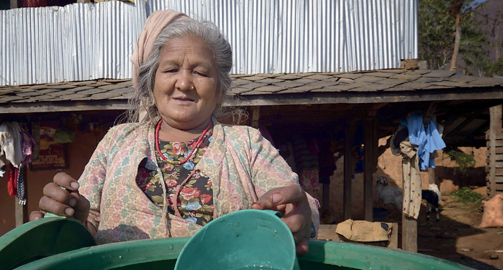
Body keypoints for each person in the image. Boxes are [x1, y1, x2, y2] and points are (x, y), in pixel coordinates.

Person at [30, 10, 320, 255]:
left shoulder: (247, 144)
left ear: (220, 91)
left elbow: (299, 205)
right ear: (151, 83)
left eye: (200, 72)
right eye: (170, 70)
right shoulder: (117, 141)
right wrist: (70, 217)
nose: (184, 83)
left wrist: (299, 214)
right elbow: (87, 223)